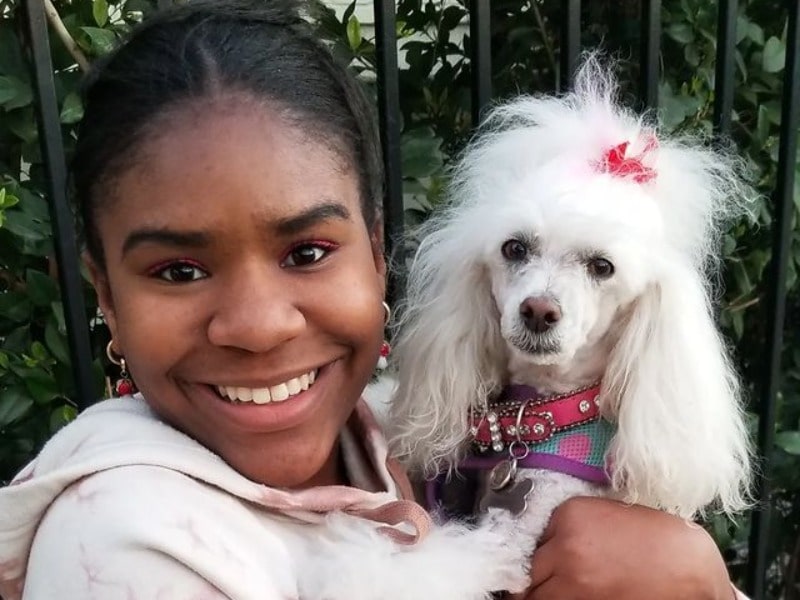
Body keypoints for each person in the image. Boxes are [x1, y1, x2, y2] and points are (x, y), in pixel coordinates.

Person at [0, 1, 748, 598]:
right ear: (104, 292)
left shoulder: (390, 432)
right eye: (179, 271)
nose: (259, 327)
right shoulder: (125, 544)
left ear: (377, 249)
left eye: (308, 253)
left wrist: (700, 581)